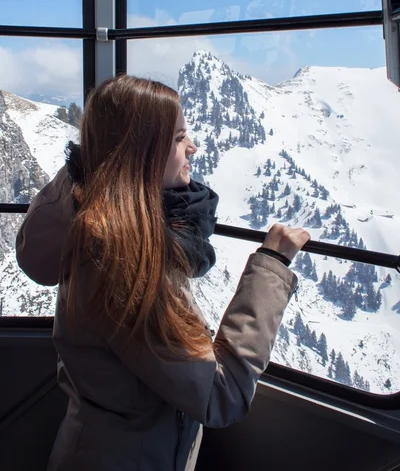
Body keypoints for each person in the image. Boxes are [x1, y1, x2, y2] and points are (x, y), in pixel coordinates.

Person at [16, 75, 310, 471]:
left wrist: (100, 156)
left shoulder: (97, 221)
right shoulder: (122, 259)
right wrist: (272, 265)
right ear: (140, 153)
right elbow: (219, 394)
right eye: (177, 138)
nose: (193, 147)